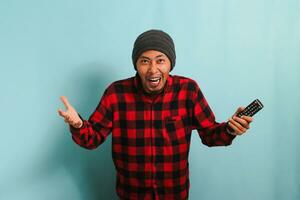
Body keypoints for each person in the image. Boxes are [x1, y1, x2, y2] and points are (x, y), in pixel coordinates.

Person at [58, 29, 253, 200]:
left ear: (170, 64)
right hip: (131, 194)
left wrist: (230, 129)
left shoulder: (188, 90)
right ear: (136, 65)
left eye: (160, 60)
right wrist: (78, 125)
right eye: (145, 61)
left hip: (175, 193)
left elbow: (210, 135)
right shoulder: (116, 94)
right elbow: (93, 138)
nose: (153, 69)